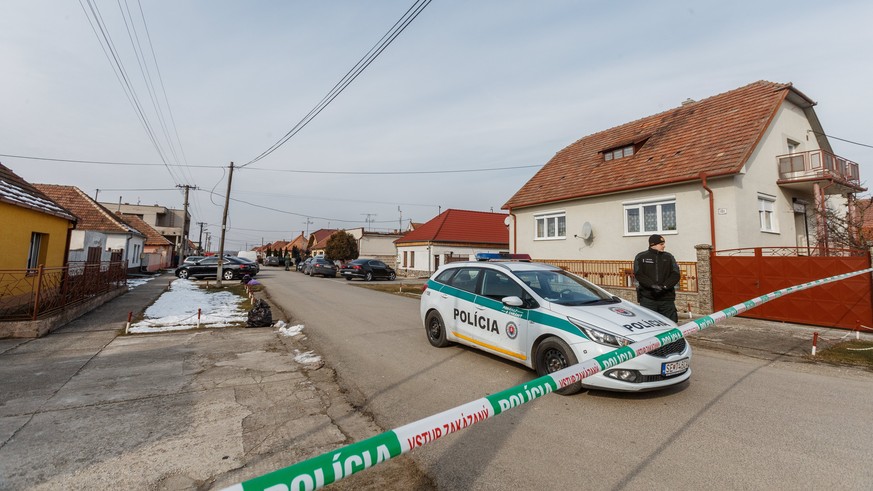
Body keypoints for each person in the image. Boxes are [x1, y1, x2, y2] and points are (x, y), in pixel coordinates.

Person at [633, 234, 681, 322]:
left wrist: (665, 286)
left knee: (671, 326)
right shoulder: (641, 257)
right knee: (649, 325)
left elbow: (676, 274)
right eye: (661, 244)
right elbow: (639, 274)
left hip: (666, 299)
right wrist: (652, 286)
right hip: (648, 299)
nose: (664, 246)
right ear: (653, 244)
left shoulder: (669, 257)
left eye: (664, 244)